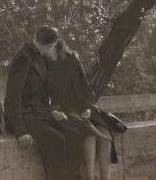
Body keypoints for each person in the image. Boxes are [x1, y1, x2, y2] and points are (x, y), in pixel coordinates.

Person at [4, 26, 82, 180]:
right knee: (57, 140)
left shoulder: (39, 57)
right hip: (25, 117)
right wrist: (21, 131)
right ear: (51, 45)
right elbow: (12, 98)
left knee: (73, 135)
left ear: (35, 36)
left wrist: (52, 111)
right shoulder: (24, 59)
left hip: (39, 114)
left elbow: (42, 95)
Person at [45, 38, 118, 180]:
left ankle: (105, 178)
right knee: (89, 134)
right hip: (65, 110)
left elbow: (85, 88)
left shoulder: (73, 61)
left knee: (106, 136)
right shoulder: (48, 67)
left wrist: (87, 108)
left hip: (83, 107)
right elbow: (51, 96)